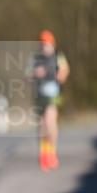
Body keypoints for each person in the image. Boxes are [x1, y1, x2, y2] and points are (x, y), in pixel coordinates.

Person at [31, 30, 70, 170]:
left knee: (49, 121)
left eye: (46, 44)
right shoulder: (36, 58)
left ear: (52, 44)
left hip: (53, 94)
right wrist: (35, 73)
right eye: (42, 44)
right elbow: (27, 74)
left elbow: (64, 71)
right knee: (41, 125)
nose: (44, 47)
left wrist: (59, 74)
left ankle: (52, 152)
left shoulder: (58, 56)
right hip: (39, 95)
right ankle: (44, 154)